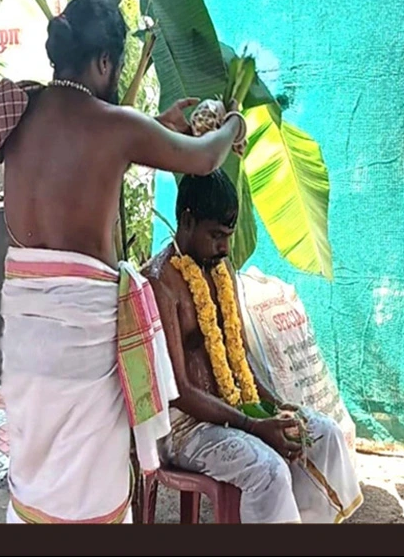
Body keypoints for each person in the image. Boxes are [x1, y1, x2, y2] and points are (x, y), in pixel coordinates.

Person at [0, 0, 246, 524]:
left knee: (35, 470)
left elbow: (84, 158)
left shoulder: (23, 108)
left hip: (27, 334)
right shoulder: (114, 125)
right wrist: (233, 124)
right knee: (89, 493)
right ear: (104, 62)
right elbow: (205, 158)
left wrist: (157, 124)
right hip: (83, 345)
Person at [142, 170, 363, 524]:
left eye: (228, 237)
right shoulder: (159, 283)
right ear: (187, 220)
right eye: (216, 236)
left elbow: (239, 357)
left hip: (236, 410)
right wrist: (252, 425)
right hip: (184, 429)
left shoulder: (221, 270)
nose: (225, 248)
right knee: (269, 468)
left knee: (322, 433)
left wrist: (276, 408)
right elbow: (178, 391)